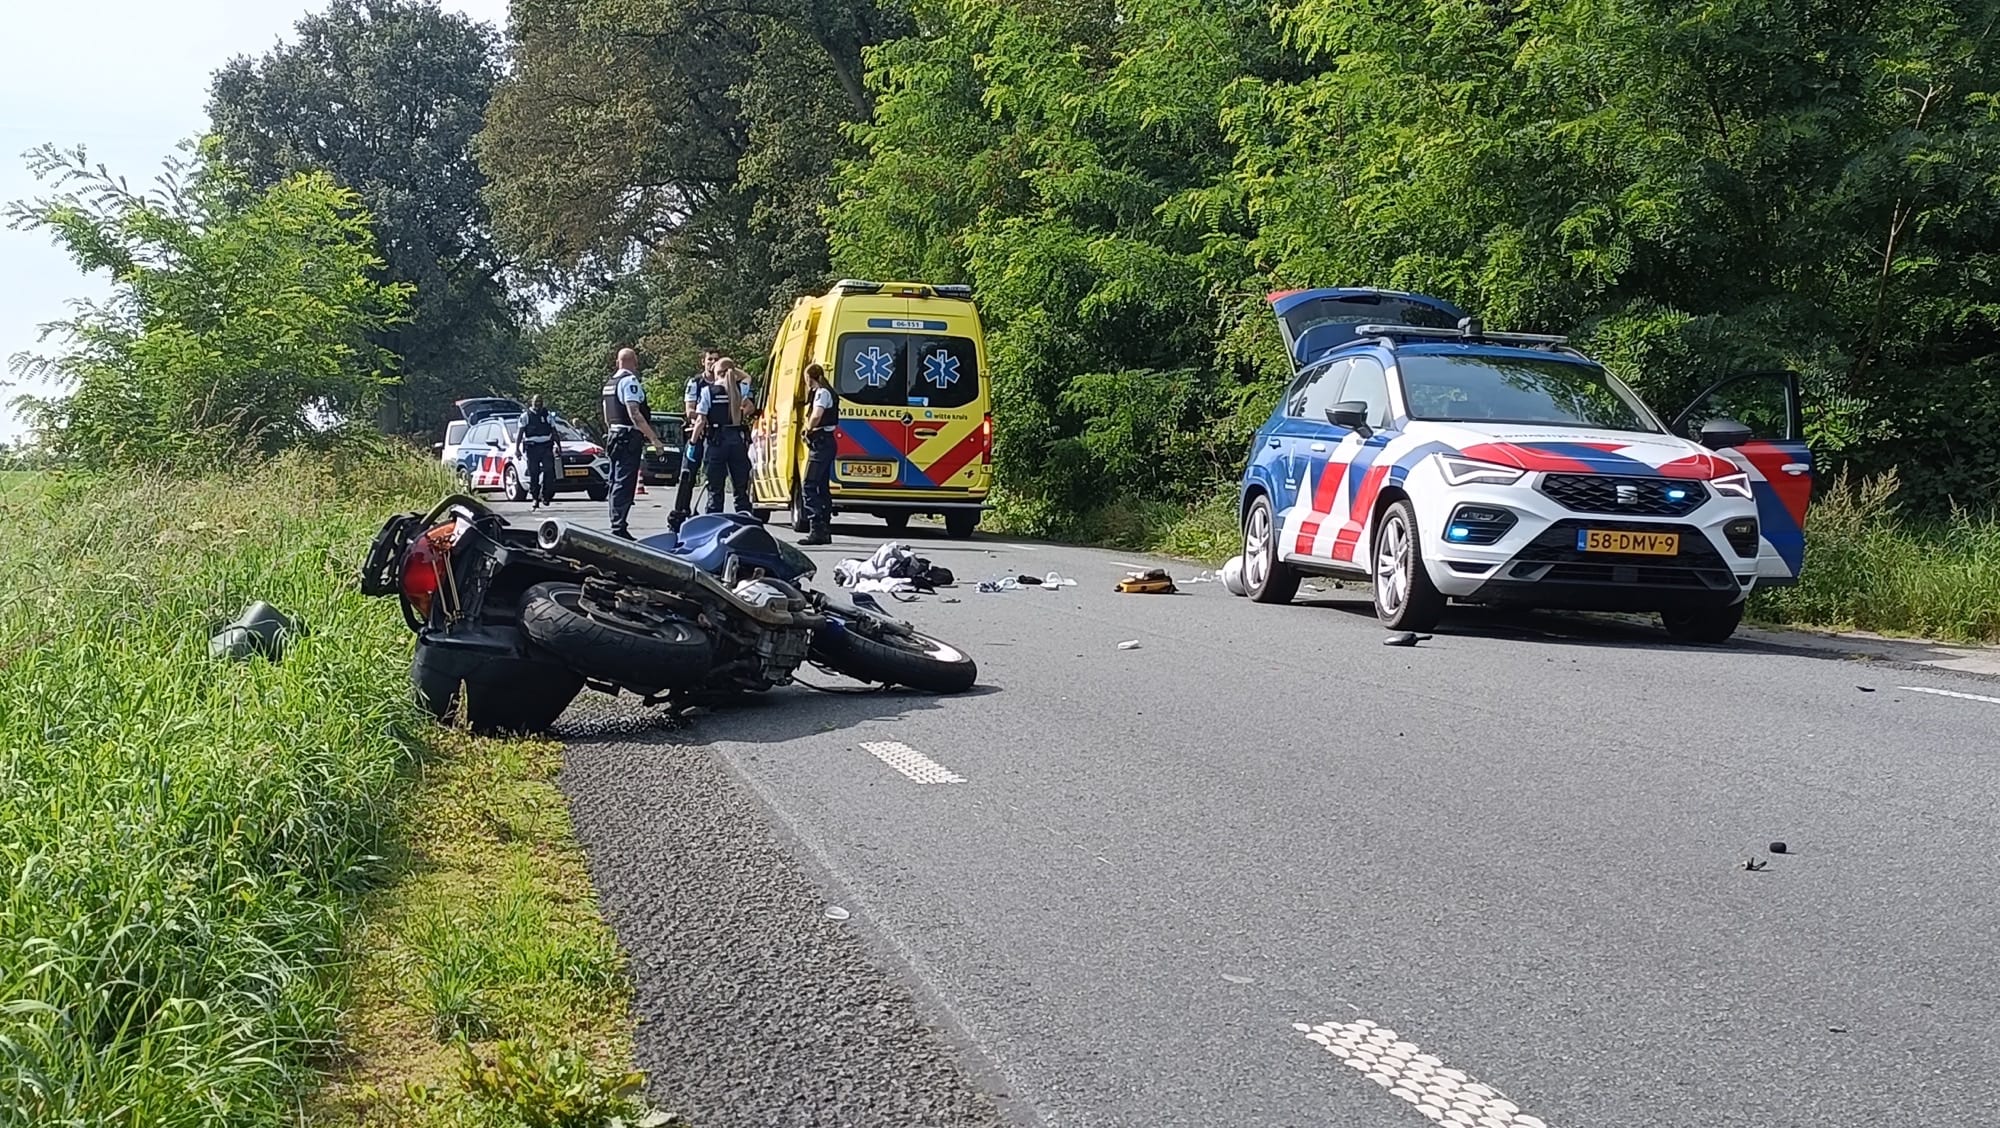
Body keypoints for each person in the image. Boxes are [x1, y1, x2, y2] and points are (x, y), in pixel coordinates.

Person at [600, 348, 663, 539]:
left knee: (614, 480)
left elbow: (606, 413)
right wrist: (654, 438)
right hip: (628, 437)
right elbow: (634, 413)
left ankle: (616, 521)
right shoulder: (629, 382)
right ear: (633, 362)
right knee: (624, 482)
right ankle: (619, 527)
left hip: (614, 435)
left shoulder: (609, 384)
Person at [692, 356, 754, 515]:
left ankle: (714, 521)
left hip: (716, 442)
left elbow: (700, 420)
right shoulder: (741, 389)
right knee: (740, 489)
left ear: (716, 372)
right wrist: (731, 369)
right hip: (737, 441)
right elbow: (747, 377)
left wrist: (693, 442)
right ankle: (744, 521)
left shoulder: (708, 391)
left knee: (715, 489)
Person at [668, 349, 719, 532]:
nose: (712, 362)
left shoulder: (725, 384)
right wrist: (705, 416)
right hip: (696, 436)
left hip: (715, 438)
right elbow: (689, 410)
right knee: (687, 475)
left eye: (716, 360)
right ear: (703, 362)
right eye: (709, 359)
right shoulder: (696, 383)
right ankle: (680, 513)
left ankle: (711, 516)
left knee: (714, 478)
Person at [799, 362, 838, 544]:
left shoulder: (822, 393)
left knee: (808, 484)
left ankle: (817, 528)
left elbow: (817, 415)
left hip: (821, 443)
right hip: (826, 443)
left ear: (809, 377)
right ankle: (825, 529)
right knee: (822, 487)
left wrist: (807, 428)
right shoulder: (826, 391)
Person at [519, 394, 558, 510]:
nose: (538, 403)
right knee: (534, 473)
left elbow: (554, 431)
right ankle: (535, 497)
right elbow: (521, 433)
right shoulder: (526, 416)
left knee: (549, 471)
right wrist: (517, 449)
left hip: (546, 446)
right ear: (532, 402)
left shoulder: (547, 415)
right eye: (536, 401)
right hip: (532, 447)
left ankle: (545, 495)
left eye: (540, 401)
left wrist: (558, 446)